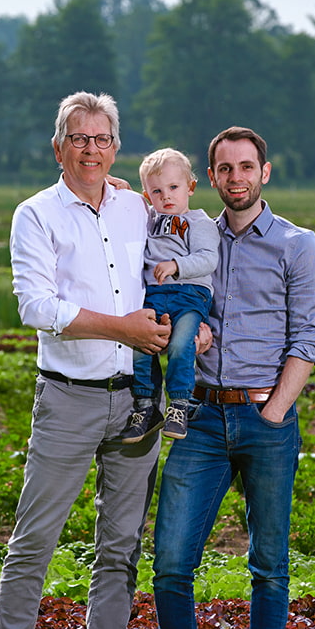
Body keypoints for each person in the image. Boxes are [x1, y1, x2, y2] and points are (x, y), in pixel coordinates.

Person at [0, 91, 172, 629]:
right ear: (58, 148)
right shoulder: (36, 214)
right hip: (69, 399)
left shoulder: (135, 208)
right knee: (35, 539)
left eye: (101, 140)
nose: (90, 150)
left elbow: (189, 239)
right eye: (78, 139)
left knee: (121, 544)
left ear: (115, 148)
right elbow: (37, 309)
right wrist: (124, 329)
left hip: (138, 398)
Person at [153, 125, 315, 629]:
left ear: (264, 173)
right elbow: (133, 197)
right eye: (225, 169)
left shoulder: (297, 244)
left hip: (265, 419)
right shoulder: (191, 235)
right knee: (171, 565)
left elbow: (308, 338)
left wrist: (274, 412)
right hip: (200, 417)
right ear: (210, 177)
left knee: (269, 565)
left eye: (246, 167)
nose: (236, 178)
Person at [119, 148, 219, 443]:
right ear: (148, 195)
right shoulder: (149, 216)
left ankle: (179, 405)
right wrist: (120, 187)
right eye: (157, 191)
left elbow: (207, 259)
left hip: (189, 294)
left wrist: (177, 266)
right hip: (155, 294)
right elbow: (127, 200)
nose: (167, 197)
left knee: (179, 345)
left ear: (191, 186)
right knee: (141, 344)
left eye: (174, 187)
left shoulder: (200, 222)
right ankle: (146, 407)